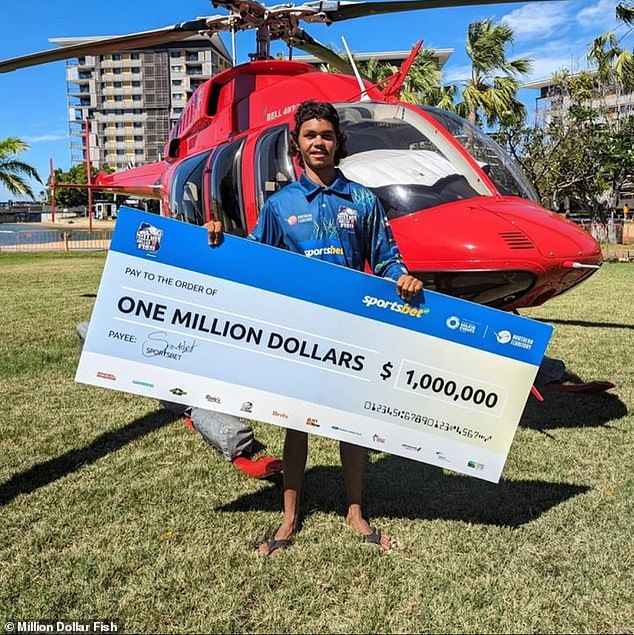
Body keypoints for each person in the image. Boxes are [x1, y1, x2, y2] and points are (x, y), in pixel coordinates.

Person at [207, 100, 422, 555]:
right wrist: (217, 243)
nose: (318, 142)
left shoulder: (362, 200)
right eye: (309, 136)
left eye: (326, 134)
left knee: (352, 423)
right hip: (297, 332)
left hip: (349, 329)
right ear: (297, 145)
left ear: (337, 141)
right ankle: (289, 515)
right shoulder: (280, 205)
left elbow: (385, 257)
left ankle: (356, 509)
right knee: (296, 423)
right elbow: (253, 261)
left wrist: (399, 275)